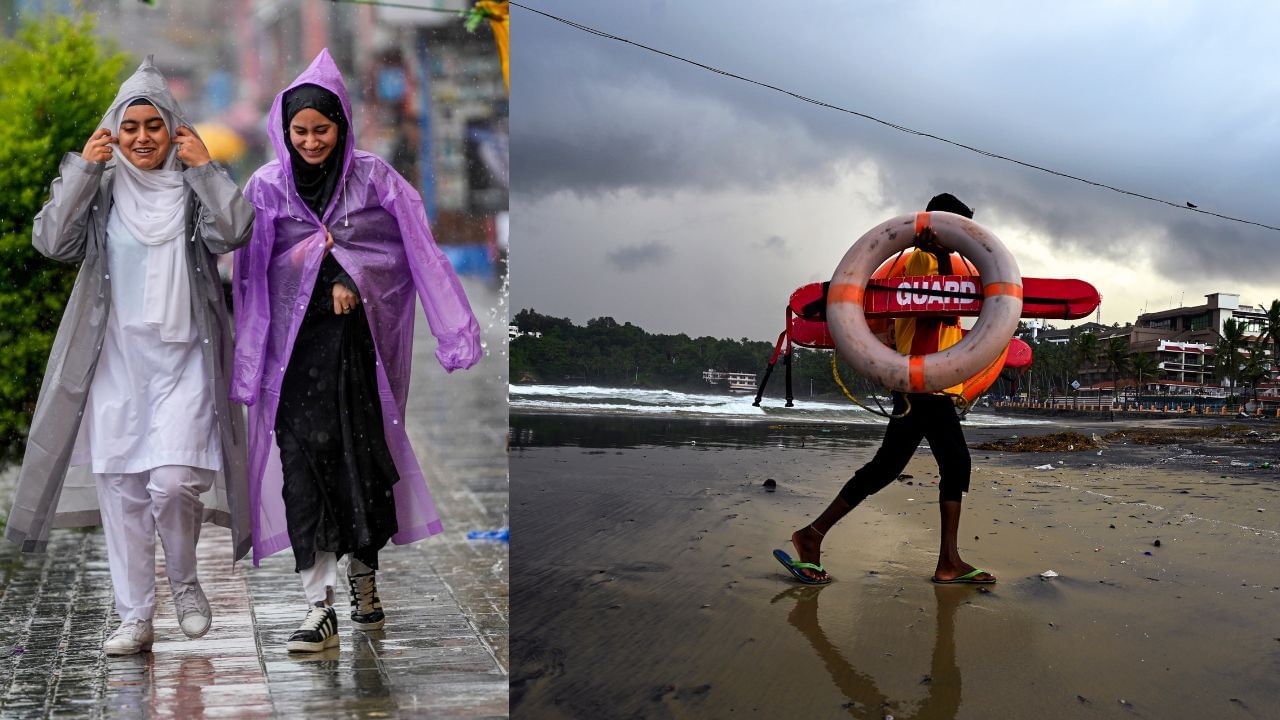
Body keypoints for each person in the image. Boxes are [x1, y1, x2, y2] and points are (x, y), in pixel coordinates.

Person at [231, 49, 482, 653]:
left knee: (361, 468)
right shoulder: (266, 187)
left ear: (342, 126)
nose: (312, 141)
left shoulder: (373, 179)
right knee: (301, 475)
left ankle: (364, 581)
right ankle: (316, 605)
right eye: (301, 131)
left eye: (322, 129)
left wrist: (352, 277)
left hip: (354, 356)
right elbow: (248, 271)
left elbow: (410, 250)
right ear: (283, 131)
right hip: (289, 365)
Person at [4, 57, 254, 656]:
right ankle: (134, 616)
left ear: (174, 131)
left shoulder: (193, 188)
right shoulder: (103, 190)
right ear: (113, 132)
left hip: (185, 360)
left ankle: (186, 581)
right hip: (116, 359)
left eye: (154, 126)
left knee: (172, 484)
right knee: (122, 491)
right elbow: (52, 242)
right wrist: (83, 171)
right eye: (130, 126)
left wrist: (207, 170)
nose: (142, 138)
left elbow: (236, 230)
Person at [775, 193, 996, 586]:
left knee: (887, 468)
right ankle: (947, 561)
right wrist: (943, 256)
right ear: (938, 228)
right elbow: (939, 308)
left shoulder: (945, 265)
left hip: (930, 384)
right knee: (952, 463)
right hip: (922, 382)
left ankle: (812, 535)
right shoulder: (922, 260)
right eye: (957, 232)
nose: (962, 241)